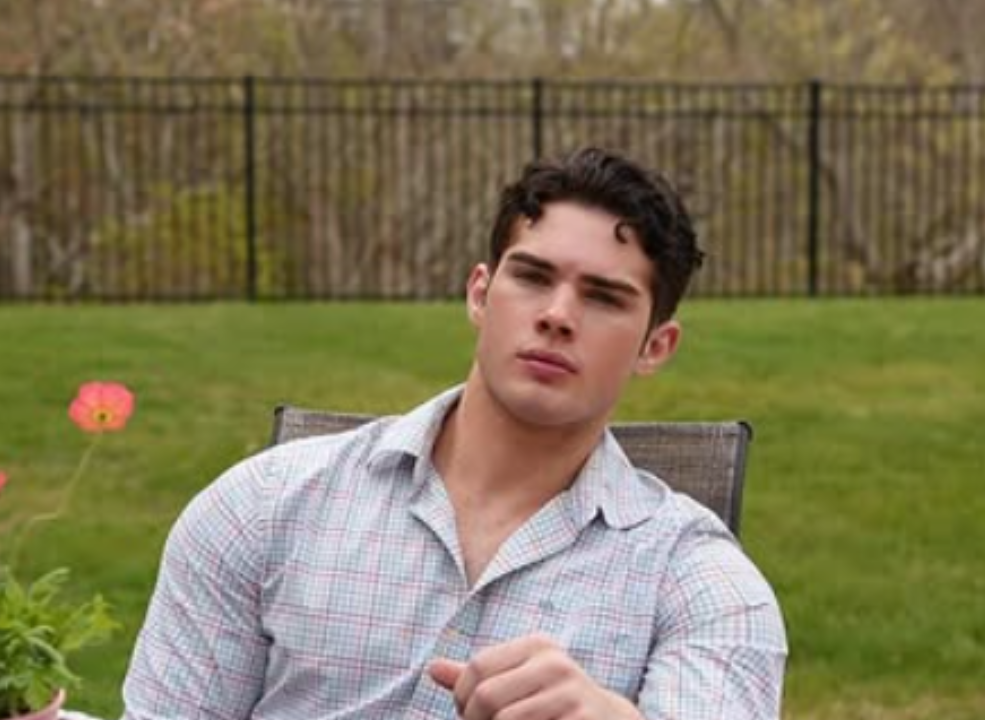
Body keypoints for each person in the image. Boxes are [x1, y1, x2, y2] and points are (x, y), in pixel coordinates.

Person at [121, 147, 787, 720]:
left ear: (655, 346)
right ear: (479, 293)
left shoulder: (702, 586)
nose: (557, 315)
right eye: (532, 277)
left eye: (604, 297)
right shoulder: (263, 507)